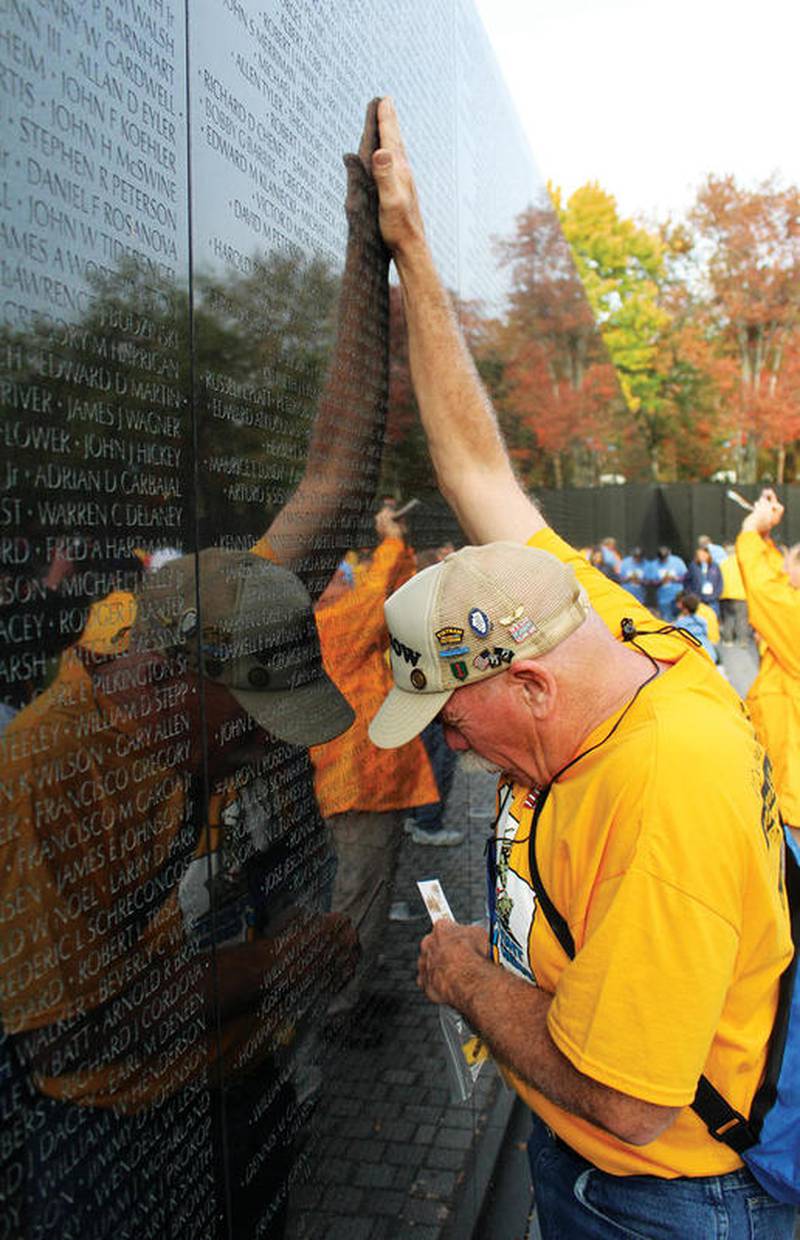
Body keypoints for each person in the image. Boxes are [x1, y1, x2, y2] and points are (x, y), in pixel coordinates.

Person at [363, 96, 795, 1239]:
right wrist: (411, 252)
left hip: (667, 1200)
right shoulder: (599, 628)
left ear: (531, 686)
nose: (448, 748)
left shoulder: (663, 797)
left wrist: (463, 976)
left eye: (449, 720)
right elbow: (477, 469)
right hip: (597, 1167)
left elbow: (630, 1095)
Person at [310, 505, 438, 1033]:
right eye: (340, 575)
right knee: (356, 895)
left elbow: (396, 599)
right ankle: (340, 1007)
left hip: (374, 784)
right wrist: (389, 541)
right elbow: (370, 600)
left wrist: (396, 549)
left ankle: (355, 990)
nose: (349, 581)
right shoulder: (327, 624)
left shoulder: (347, 616)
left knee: (372, 891)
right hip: (354, 784)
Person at [736, 489, 800, 838]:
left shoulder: (794, 618)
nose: (782, 568)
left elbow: (765, 587)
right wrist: (764, 535)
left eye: (789, 562)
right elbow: (773, 582)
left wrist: (750, 529)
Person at [720, 542, 751, 646]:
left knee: (728, 618)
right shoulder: (741, 564)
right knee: (742, 618)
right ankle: (743, 641)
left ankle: (728, 640)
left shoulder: (722, 564)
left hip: (725, 595)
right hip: (740, 595)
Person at [645, 545, 686, 620]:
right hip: (663, 599)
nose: (663, 560)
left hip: (677, 597)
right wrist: (660, 581)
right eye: (662, 559)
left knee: (680, 619)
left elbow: (686, 577)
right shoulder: (654, 565)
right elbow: (649, 582)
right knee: (666, 619)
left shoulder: (677, 561)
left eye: (665, 558)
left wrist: (675, 578)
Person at [686, 545, 723, 616]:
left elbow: (720, 582)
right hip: (699, 601)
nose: (701, 557)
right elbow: (687, 582)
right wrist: (692, 595)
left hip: (713, 601)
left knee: (713, 619)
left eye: (703, 554)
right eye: (699, 555)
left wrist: (716, 595)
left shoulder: (715, 566)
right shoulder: (693, 566)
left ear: (708, 554)